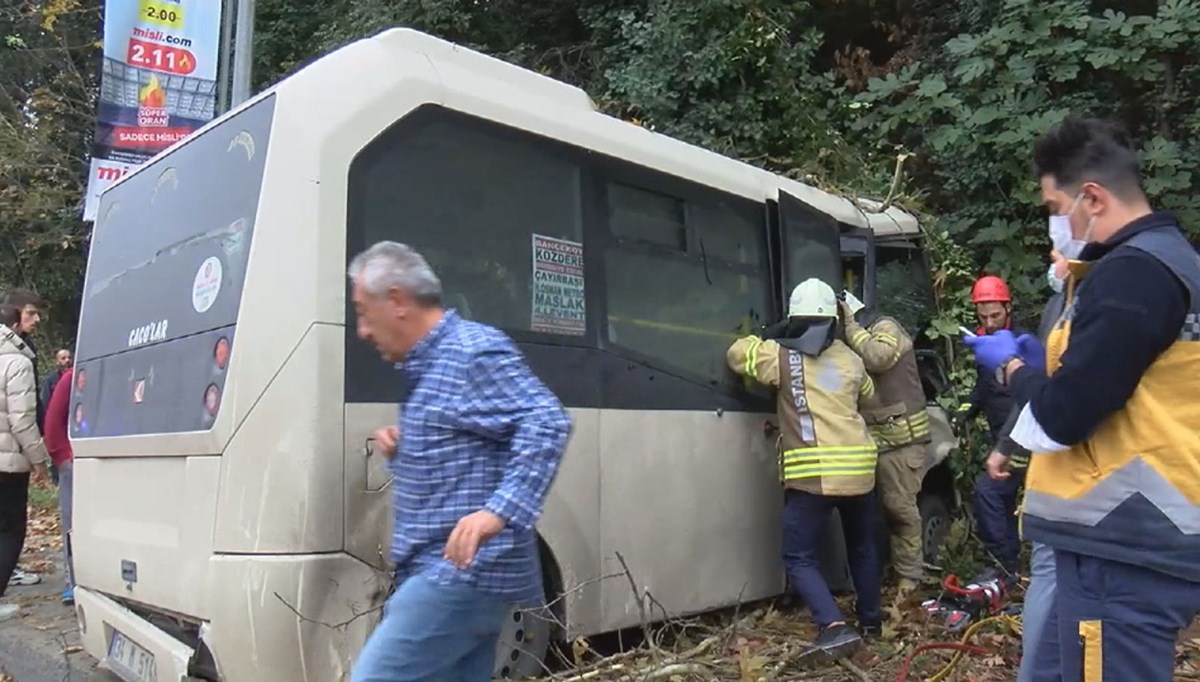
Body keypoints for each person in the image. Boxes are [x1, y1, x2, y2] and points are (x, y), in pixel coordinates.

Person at [966, 115, 1200, 682]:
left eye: (1053, 207)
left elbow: (1059, 418)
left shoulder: (1133, 276)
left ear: (1091, 197)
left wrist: (1014, 370)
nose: (1053, 223)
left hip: (1126, 546)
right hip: (1111, 542)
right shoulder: (1162, 264)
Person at [346, 241, 572, 682]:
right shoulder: (430, 368)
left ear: (396, 300)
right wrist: (406, 450)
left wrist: (498, 513)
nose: (362, 330)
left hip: (456, 575)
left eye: (362, 310)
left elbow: (547, 422)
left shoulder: (471, 351)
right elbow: (471, 446)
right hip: (455, 577)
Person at [727, 278, 882, 661]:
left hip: (814, 474)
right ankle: (872, 622)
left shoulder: (779, 356)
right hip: (861, 470)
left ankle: (833, 626)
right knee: (862, 546)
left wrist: (770, 335)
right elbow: (869, 396)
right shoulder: (850, 358)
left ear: (795, 320)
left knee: (798, 556)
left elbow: (736, 354)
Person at [988, 250, 1068, 682]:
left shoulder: (1101, 297)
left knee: (1057, 571)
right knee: (1050, 569)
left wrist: (1017, 370)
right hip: (1047, 458)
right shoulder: (1061, 305)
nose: (1053, 253)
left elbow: (1058, 396)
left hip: (1080, 468)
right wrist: (1005, 443)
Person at [840, 290, 928, 593]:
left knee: (899, 509)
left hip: (902, 444)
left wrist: (850, 327)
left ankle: (909, 582)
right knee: (870, 513)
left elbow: (878, 358)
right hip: (872, 443)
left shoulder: (885, 327)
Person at [955, 275, 1029, 579]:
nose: (990, 322)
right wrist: (964, 412)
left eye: (995, 315)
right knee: (1000, 497)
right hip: (1001, 436)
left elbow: (1030, 391)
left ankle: (1002, 564)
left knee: (990, 492)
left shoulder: (1024, 343)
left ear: (1008, 307)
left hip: (1023, 436)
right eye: (983, 316)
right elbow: (985, 388)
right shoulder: (984, 342)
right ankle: (1008, 565)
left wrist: (1008, 443)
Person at [0, 304, 52, 621]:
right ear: (16, 322)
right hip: (7, 463)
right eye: (31, 315)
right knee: (10, 530)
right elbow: (22, 420)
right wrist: (40, 461)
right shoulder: (17, 363)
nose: (36, 321)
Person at [43, 365, 75, 605]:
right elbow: (52, 423)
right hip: (74, 463)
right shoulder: (72, 379)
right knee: (72, 523)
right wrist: (64, 458)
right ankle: (72, 580)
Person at [39, 348, 72, 421]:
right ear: (57, 361)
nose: (67, 360)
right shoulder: (50, 380)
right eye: (63, 358)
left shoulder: (78, 376)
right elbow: (46, 402)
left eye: (69, 358)